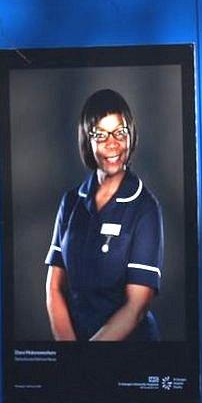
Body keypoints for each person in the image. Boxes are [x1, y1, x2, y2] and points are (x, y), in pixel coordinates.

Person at [44, 89, 163, 341]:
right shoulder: (71, 202)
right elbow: (54, 286)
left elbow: (136, 307)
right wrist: (71, 353)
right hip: (76, 352)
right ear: (87, 140)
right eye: (100, 134)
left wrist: (89, 357)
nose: (113, 143)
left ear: (130, 135)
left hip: (130, 354)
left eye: (120, 132)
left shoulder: (145, 208)